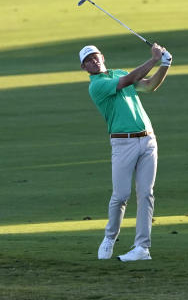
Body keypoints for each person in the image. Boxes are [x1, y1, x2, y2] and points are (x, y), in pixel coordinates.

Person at [80, 42, 171, 262]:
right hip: (123, 144)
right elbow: (128, 81)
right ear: (84, 68)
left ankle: (142, 248)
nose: (94, 61)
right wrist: (153, 59)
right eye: (88, 61)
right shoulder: (97, 86)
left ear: (103, 57)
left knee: (146, 194)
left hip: (148, 139)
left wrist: (165, 65)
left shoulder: (120, 73)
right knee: (120, 196)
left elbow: (149, 86)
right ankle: (110, 237)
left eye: (96, 56)